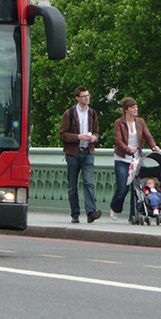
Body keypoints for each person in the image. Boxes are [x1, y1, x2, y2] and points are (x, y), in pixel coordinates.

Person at [109, 97, 160, 223]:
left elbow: (148, 136)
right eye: (132, 107)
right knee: (123, 187)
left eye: (136, 107)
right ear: (126, 110)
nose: (135, 109)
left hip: (136, 159)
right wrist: (128, 150)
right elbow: (118, 140)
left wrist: (153, 146)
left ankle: (133, 215)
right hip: (122, 158)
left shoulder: (140, 122)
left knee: (136, 188)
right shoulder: (119, 123)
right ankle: (115, 208)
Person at [59, 86, 101, 224]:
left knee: (89, 182)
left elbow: (96, 132)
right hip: (73, 153)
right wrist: (78, 137)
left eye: (88, 95)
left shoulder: (92, 113)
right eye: (84, 96)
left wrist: (93, 138)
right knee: (73, 185)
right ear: (77, 98)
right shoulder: (69, 113)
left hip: (88, 152)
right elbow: (62, 134)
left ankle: (90, 212)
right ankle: (75, 213)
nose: (87, 98)